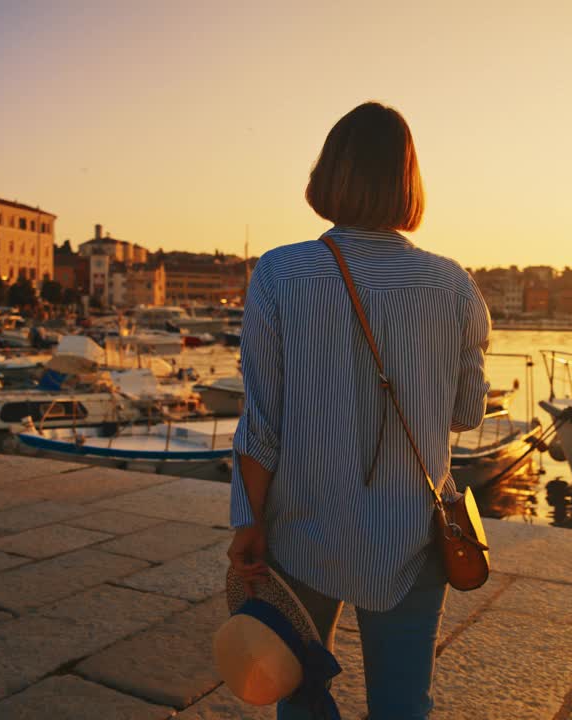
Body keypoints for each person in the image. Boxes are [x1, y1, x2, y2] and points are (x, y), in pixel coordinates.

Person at [227, 101, 491, 719]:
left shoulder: (279, 272)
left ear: (329, 175)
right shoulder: (453, 286)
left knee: (298, 692)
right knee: (403, 706)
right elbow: (468, 412)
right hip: (410, 534)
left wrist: (248, 524)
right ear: (409, 183)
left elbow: (260, 424)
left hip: (301, 531)